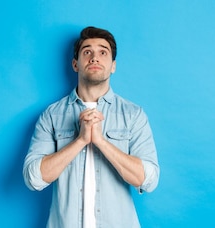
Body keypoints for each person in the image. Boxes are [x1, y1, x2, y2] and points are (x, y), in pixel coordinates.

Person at [23, 26, 160, 228]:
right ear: (75, 64)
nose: (95, 58)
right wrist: (80, 141)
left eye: (103, 52)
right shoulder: (52, 115)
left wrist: (101, 142)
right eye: (87, 51)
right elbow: (33, 178)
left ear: (113, 65)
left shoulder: (133, 115)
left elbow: (148, 180)